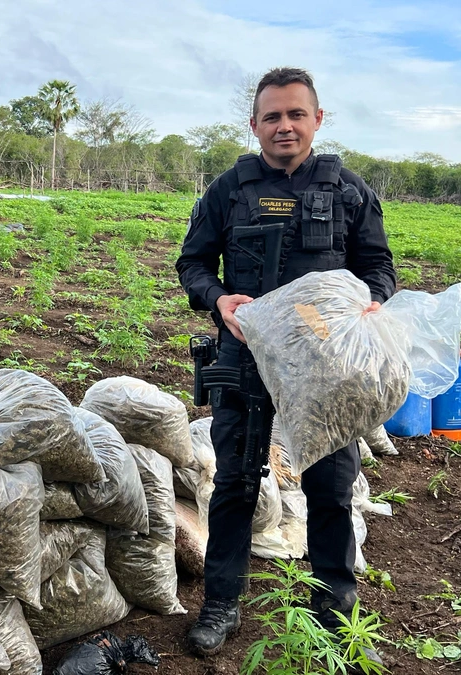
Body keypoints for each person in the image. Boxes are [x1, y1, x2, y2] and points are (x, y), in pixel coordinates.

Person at [175, 67, 395, 658]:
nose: (284, 126)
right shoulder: (228, 190)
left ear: (317, 120)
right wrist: (217, 299)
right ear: (254, 125)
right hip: (246, 360)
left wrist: (372, 302)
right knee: (235, 484)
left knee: (331, 488)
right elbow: (192, 264)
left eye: (296, 114)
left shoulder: (348, 191)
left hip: (325, 370)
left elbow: (379, 267)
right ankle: (221, 605)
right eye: (272, 116)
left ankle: (336, 620)